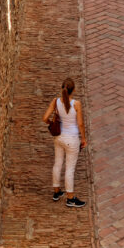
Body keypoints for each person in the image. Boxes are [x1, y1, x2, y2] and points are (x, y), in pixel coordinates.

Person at [42, 77, 86, 208]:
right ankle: (70, 198)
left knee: (58, 163)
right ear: (74, 90)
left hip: (59, 137)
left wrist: (52, 123)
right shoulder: (76, 104)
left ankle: (56, 192)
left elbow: (45, 118)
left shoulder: (55, 101)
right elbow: (80, 124)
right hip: (71, 139)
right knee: (70, 169)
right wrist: (83, 138)